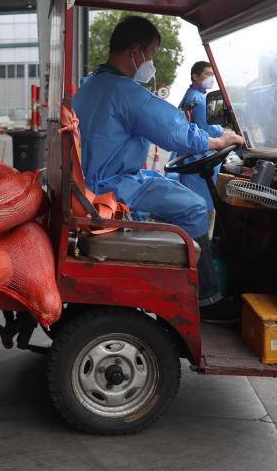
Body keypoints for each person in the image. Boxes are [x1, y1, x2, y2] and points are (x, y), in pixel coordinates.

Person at [72, 16, 244, 315]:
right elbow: (174, 131)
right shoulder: (125, 93)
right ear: (135, 51)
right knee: (194, 208)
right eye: (150, 55)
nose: (150, 63)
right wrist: (217, 142)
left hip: (93, 182)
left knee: (168, 189)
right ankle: (206, 300)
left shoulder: (91, 84)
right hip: (110, 188)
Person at [169, 61, 223, 237]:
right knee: (202, 209)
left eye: (212, 75)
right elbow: (208, 129)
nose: (211, 79)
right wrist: (227, 133)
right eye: (207, 74)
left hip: (191, 158)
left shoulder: (191, 95)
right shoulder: (198, 99)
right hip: (200, 159)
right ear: (195, 76)